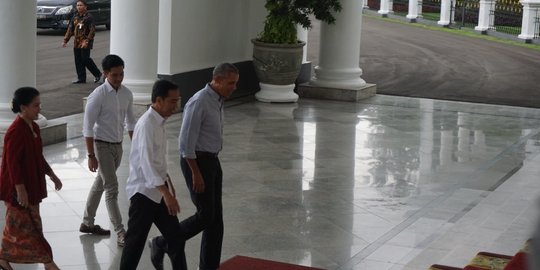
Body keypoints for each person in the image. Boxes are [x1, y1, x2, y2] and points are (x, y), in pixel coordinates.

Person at [150, 63, 239, 270]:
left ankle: (209, 267)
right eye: (231, 83)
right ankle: (162, 242)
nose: (234, 87)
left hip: (212, 160)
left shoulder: (217, 99)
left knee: (216, 220)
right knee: (206, 215)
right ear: (217, 80)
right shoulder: (199, 102)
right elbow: (185, 143)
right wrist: (196, 173)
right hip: (196, 161)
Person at [119, 79, 186, 270]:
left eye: (177, 101)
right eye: (172, 101)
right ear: (158, 100)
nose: (176, 106)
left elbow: (158, 163)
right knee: (134, 245)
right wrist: (166, 194)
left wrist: (168, 191)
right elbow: (147, 165)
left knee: (176, 237)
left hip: (158, 191)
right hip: (143, 193)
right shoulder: (147, 124)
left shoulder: (160, 122)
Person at [0, 87, 63, 270]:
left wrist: (52, 175)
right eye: (35, 106)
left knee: (15, 228)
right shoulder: (15, 131)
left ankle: (3, 257)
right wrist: (20, 190)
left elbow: (38, 156)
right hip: (18, 190)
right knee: (32, 226)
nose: (39, 109)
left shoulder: (33, 127)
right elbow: (12, 164)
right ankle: (48, 263)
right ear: (23, 107)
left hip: (31, 186)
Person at [80, 54, 136, 247]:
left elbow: (131, 122)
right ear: (105, 74)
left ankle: (87, 223)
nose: (119, 78)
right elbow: (87, 128)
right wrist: (90, 155)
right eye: (114, 75)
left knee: (100, 184)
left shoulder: (127, 94)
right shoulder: (98, 95)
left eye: (121, 74)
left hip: (117, 146)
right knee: (111, 189)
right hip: (101, 145)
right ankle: (121, 232)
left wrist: (136, 148)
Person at [62, 0, 102, 84]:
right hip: (77, 41)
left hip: (85, 41)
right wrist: (65, 40)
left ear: (85, 6)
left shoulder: (89, 17)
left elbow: (92, 30)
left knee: (85, 59)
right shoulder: (75, 17)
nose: (79, 7)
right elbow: (70, 29)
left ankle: (97, 73)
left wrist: (87, 41)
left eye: (81, 5)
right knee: (78, 60)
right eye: (77, 5)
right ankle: (81, 78)